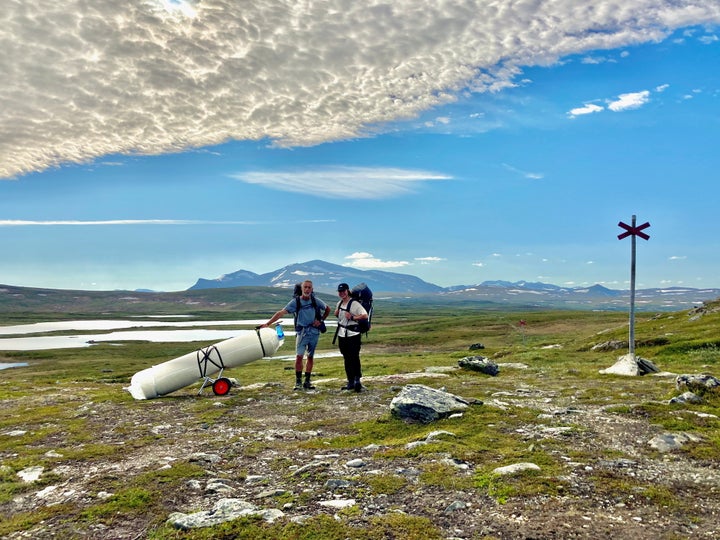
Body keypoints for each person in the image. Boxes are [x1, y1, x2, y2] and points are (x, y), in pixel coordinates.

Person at [260, 280, 330, 390]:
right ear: (302, 289)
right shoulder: (295, 302)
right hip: (301, 333)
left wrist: (320, 320)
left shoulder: (316, 301)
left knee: (310, 356)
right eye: (305, 287)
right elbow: (280, 313)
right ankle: (298, 383)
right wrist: (268, 323)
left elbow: (327, 309)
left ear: (312, 289)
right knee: (299, 356)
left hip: (314, 332)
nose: (307, 289)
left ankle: (307, 382)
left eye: (309, 287)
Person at [334, 283, 369, 392]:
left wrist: (353, 317)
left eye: (344, 291)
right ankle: (350, 381)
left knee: (354, 357)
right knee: (346, 358)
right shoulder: (339, 303)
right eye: (340, 291)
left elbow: (365, 315)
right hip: (342, 334)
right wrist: (337, 313)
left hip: (353, 334)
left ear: (347, 291)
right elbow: (338, 316)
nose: (342, 293)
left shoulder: (354, 304)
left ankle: (357, 380)